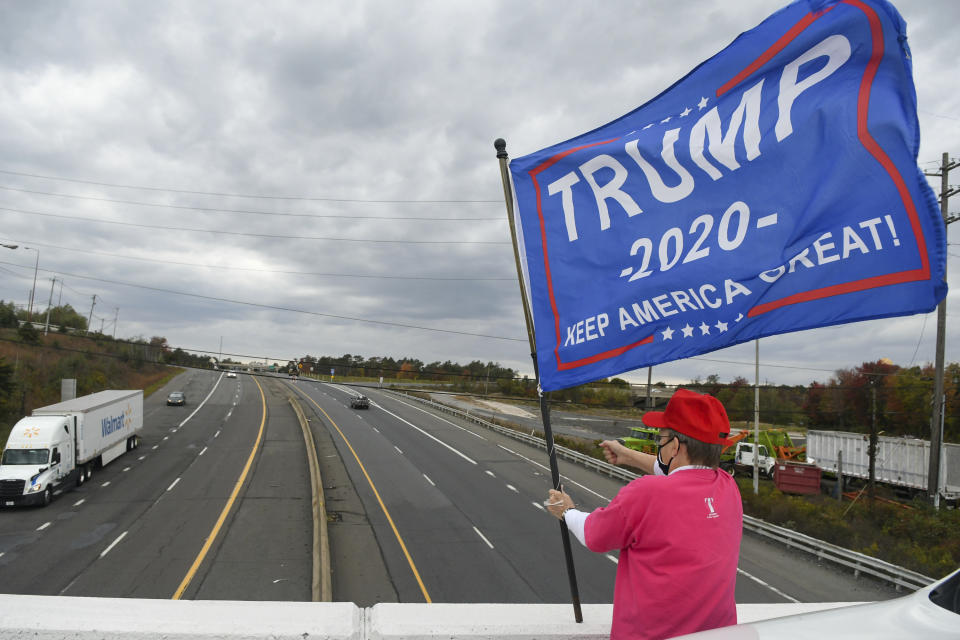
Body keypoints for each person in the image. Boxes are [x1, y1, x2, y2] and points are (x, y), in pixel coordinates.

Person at [545, 388, 742, 640]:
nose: (659, 445)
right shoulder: (727, 486)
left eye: (661, 439)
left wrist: (567, 510)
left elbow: (593, 535)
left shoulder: (647, 492)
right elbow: (685, 474)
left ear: (675, 446)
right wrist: (628, 456)